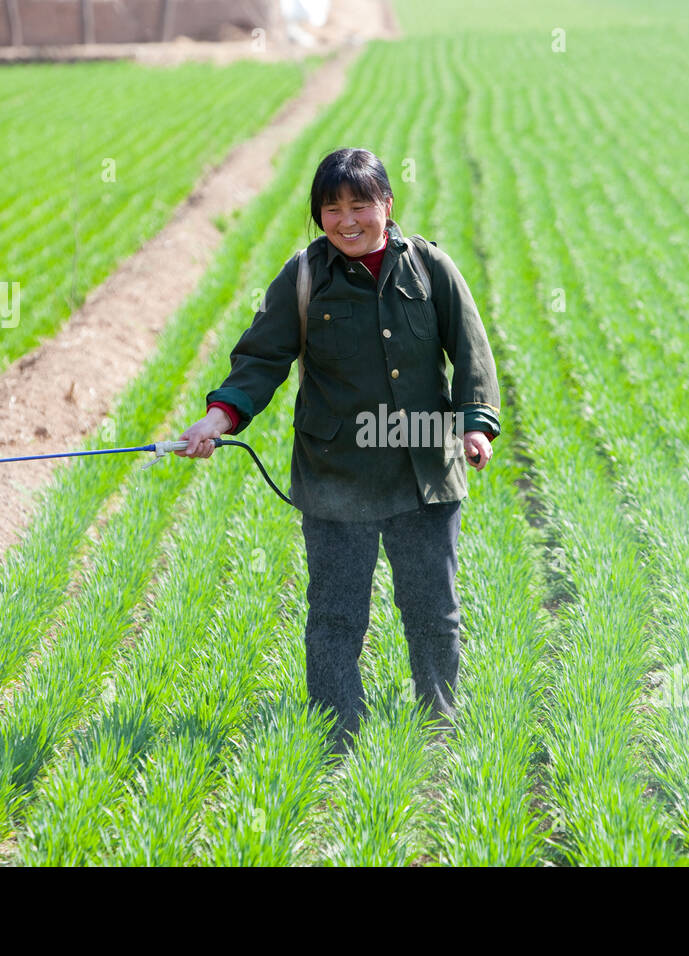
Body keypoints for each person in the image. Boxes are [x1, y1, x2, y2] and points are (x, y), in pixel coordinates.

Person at [176, 147, 501, 752]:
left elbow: (472, 353)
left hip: (423, 471)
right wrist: (217, 419)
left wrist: (474, 426)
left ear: (386, 206)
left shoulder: (429, 268)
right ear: (318, 215)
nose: (347, 221)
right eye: (332, 209)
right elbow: (261, 359)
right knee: (334, 616)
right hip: (336, 478)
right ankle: (336, 739)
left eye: (360, 205)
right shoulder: (304, 277)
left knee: (433, 611)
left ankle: (439, 728)